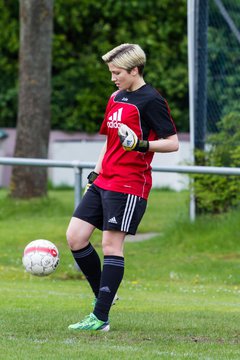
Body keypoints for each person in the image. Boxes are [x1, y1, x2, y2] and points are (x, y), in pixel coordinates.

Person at [66, 43, 179, 332]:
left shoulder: (152, 100)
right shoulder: (116, 96)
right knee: (75, 237)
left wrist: (142, 145)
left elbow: (172, 142)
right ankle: (105, 295)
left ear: (135, 70)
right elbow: (110, 141)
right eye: (111, 72)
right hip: (105, 179)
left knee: (110, 245)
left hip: (130, 183)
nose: (113, 78)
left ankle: (100, 317)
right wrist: (96, 170)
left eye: (117, 72)